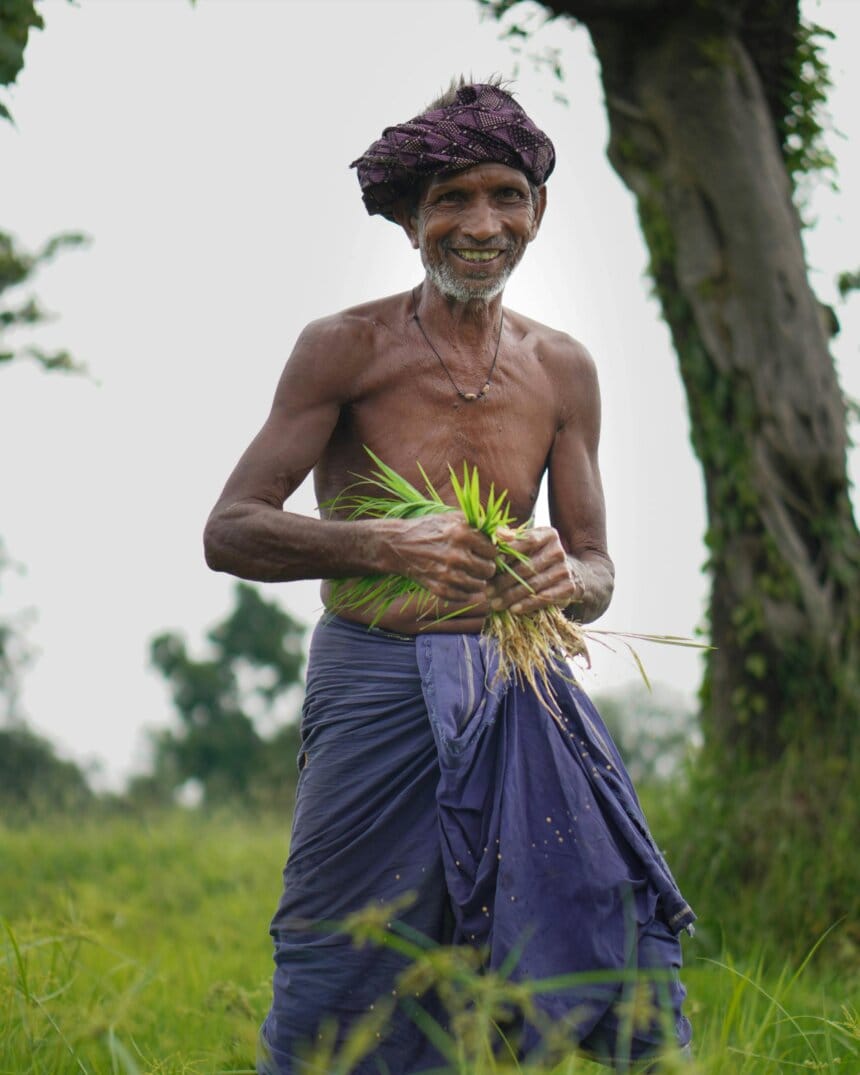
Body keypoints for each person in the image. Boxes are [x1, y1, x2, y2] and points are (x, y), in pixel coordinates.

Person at [204, 79, 693, 1074]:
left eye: (505, 196)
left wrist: (567, 573)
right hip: (373, 674)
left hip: (517, 683)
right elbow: (231, 530)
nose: (482, 224)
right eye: (453, 200)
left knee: (583, 920)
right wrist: (383, 544)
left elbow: (595, 569)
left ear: (537, 211)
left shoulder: (561, 370)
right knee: (348, 943)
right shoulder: (345, 349)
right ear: (410, 219)